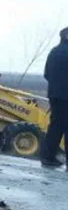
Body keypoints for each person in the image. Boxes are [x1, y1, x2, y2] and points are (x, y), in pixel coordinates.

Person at [43, 27, 68, 168]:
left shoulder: (53, 52)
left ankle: (48, 157)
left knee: (55, 126)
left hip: (54, 95)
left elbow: (46, 74)